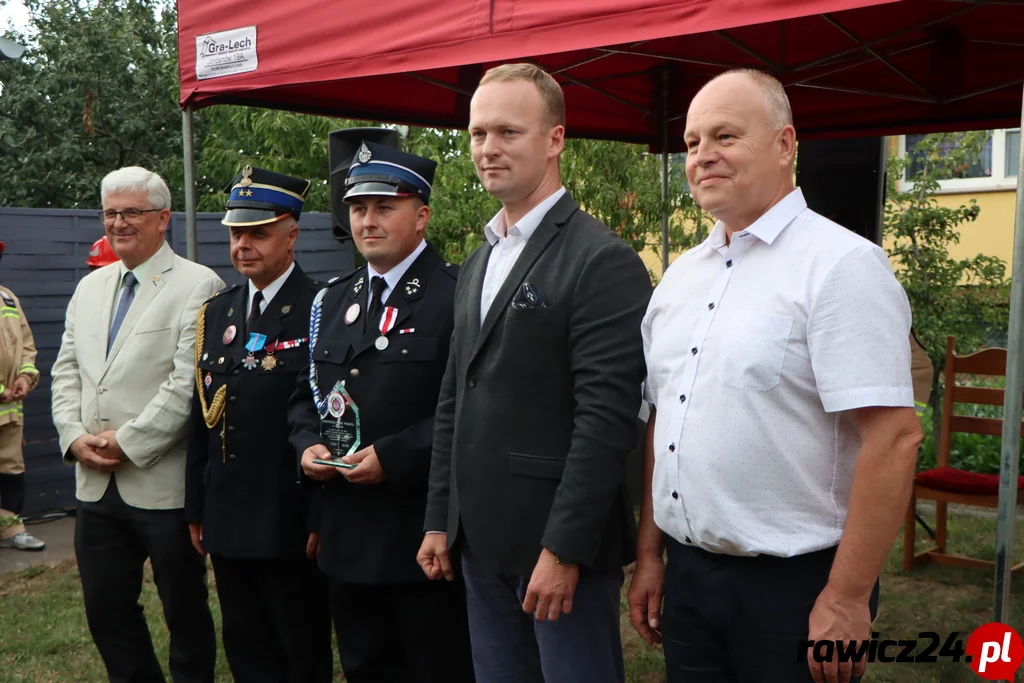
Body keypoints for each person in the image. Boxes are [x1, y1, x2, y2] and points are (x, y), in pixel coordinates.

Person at [628, 69, 922, 683]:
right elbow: (667, 418)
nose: (703, 156)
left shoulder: (842, 266)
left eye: (726, 136)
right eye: (691, 143)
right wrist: (651, 555)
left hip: (794, 590)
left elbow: (893, 438)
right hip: (689, 577)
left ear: (786, 144)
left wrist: (844, 598)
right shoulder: (680, 279)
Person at [416, 63, 652, 683]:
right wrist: (441, 518)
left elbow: (605, 419)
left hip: (555, 550)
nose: (487, 149)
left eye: (507, 132)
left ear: (555, 140)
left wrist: (564, 549)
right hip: (479, 541)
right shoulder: (479, 258)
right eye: (476, 134)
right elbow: (454, 399)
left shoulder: (601, 259)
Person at [290, 134, 474, 683]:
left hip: (421, 533)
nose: (367, 220)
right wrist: (306, 448)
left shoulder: (457, 295)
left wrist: (394, 456)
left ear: (421, 216)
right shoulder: (334, 300)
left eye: (383, 208)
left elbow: (467, 409)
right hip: (347, 534)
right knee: (365, 666)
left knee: (434, 667)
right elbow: (306, 397)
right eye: (357, 207)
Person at [50, 166, 223, 683]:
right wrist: (73, 437)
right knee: (105, 609)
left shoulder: (199, 285)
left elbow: (184, 386)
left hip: (162, 486)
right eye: (110, 213)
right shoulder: (89, 288)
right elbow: (66, 372)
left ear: (163, 218)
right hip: (96, 486)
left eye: (131, 212)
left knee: (184, 611)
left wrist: (127, 442)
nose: (119, 223)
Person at [185, 165, 333, 683]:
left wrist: (318, 516)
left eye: (258, 232)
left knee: (299, 648)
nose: (243, 244)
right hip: (227, 514)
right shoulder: (217, 313)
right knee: (245, 648)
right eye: (235, 232)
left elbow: (322, 418)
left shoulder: (321, 309)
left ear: (291, 234)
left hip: (286, 517)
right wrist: (197, 505)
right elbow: (201, 416)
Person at [0, 240, 45, 551]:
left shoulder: (8, 298)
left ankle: (11, 530)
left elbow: (27, 345)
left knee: (11, 471)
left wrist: (26, 377)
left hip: (10, 411)